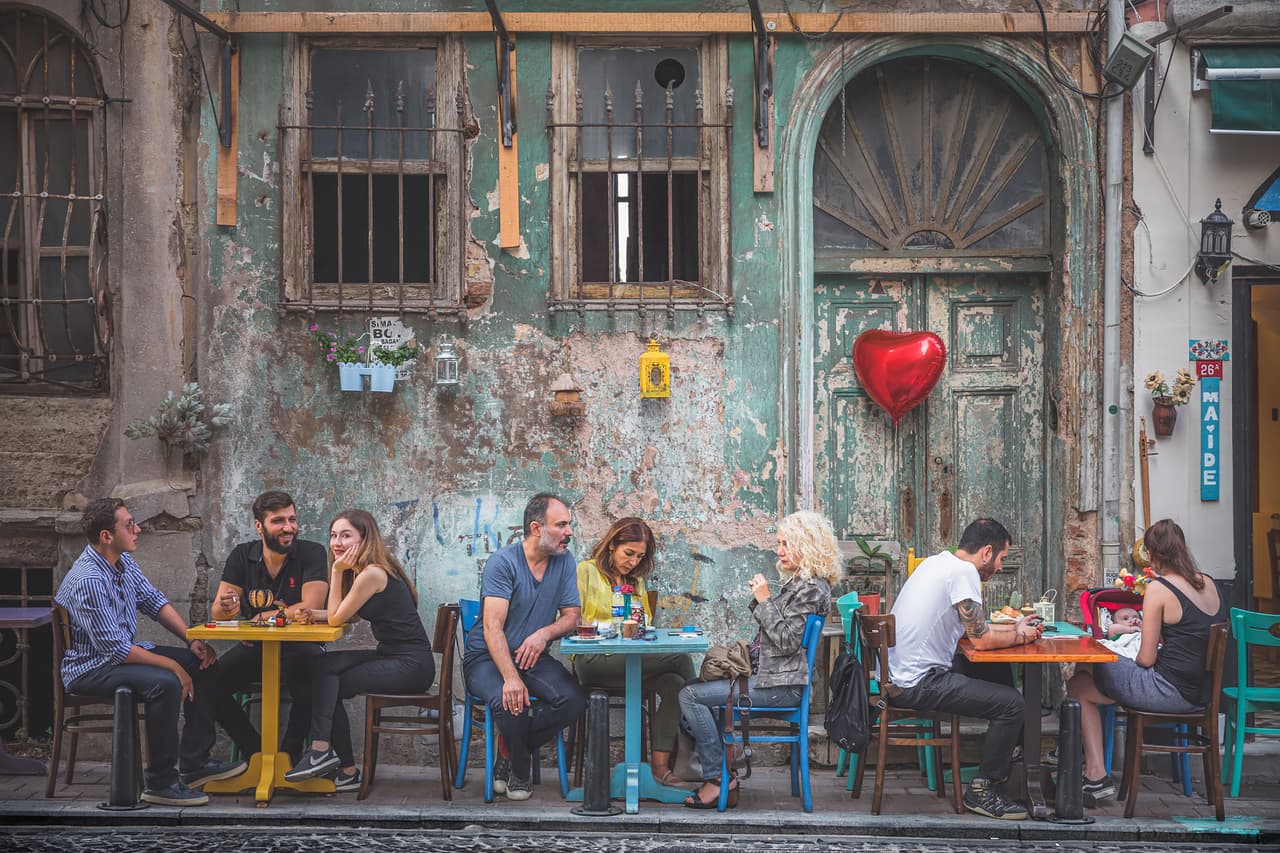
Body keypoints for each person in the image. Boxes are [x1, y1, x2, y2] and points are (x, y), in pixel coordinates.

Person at [54, 498, 245, 806]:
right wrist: (173, 667)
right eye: (129, 525)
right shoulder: (88, 579)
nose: (138, 529)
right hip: (91, 669)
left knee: (204, 662)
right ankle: (161, 782)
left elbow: (153, 601)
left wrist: (190, 639)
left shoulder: (122, 561)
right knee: (165, 683)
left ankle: (195, 765)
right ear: (106, 536)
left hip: (117, 656)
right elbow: (115, 650)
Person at [883, 517, 1044, 821]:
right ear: (986, 552)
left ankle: (1012, 757)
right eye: (1001, 558)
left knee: (999, 675)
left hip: (900, 675)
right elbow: (980, 641)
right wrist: (1021, 634)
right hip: (918, 683)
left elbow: (969, 632)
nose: (999, 567)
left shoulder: (935, 563)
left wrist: (1012, 632)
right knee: (1013, 704)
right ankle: (982, 790)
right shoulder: (964, 572)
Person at [677, 510, 837, 809]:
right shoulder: (803, 584)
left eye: (787, 543)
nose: (780, 551)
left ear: (808, 544)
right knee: (693, 685)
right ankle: (725, 767)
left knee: (690, 696)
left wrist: (764, 599)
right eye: (779, 543)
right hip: (773, 678)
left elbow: (788, 641)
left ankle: (717, 778)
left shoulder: (812, 589)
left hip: (783, 687)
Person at [1066, 518, 1225, 803]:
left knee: (1081, 677)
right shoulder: (1209, 583)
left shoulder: (1159, 589)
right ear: (1183, 548)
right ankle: (1091, 767)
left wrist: (1121, 655)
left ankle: (1095, 773)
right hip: (1200, 693)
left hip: (1168, 690)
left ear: (1151, 555)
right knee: (1083, 683)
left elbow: (1147, 658)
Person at [284, 510, 435, 788]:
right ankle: (338, 765)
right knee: (323, 666)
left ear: (365, 539)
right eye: (333, 536)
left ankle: (324, 753)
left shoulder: (372, 573)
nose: (337, 543)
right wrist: (313, 614)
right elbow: (346, 613)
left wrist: (335, 571)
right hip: (393, 656)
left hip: (411, 666)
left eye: (346, 535)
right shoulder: (366, 571)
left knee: (330, 682)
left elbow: (337, 618)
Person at [462, 492, 587, 801]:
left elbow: (572, 617)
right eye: (561, 525)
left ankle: (508, 752)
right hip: (486, 658)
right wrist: (510, 677)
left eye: (568, 525)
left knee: (574, 700)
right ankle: (521, 767)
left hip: (532, 656)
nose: (569, 532)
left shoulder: (565, 561)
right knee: (510, 702)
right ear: (536, 528)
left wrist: (544, 633)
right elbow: (492, 627)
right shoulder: (502, 563)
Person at [210, 491, 330, 777]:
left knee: (312, 682)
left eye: (292, 519)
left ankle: (288, 756)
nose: (288, 527)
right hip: (257, 647)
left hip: (301, 647)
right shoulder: (242, 555)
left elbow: (312, 605)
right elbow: (219, 611)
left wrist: (265, 616)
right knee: (208, 685)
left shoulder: (312, 552)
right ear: (259, 526)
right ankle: (257, 754)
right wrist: (228, 607)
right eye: (278, 521)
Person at [573, 517, 696, 786]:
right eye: (628, 554)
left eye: (639, 557)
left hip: (630, 660)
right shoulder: (585, 571)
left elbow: (645, 624)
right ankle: (698, 747)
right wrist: (609, 627)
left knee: (675, 684)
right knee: (681, 658)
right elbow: (572, 619)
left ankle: (660, 768)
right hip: (594, 659)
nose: (633, 562)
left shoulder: (635, 581)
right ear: (611, 546)